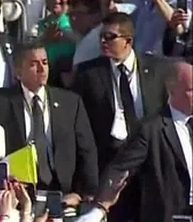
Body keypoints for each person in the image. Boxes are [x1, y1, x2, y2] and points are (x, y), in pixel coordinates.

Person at [0, 43, 99, 196]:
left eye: (45, 62)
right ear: (18, 72)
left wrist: (83, 194)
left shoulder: (70, 102)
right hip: (17, 191)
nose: (42, 69)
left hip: (62, 191)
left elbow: (87, 150)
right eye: (33, 64)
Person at [101, 61, 192, 222]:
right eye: (191, 90)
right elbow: (119, 170)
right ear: (172, 90)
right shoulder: (151, 129)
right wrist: (101, 206)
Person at [72, 12, 171, 170]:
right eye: (101, 36)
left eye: (110, 36)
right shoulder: (88, 73)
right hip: (109, 157)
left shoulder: (157, 69)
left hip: (150, 153)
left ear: (128, 41)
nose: (103, 41)